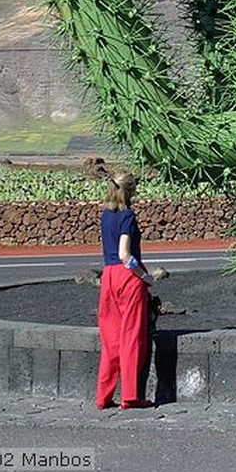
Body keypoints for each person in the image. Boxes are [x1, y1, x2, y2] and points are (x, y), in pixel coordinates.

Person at [96, 170, 154, 410]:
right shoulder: (128, 216)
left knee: (110, 337)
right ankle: (130, 395)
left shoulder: (105, 215)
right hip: (127, 277)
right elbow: (124, 254)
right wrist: (145, 276)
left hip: (108, 275)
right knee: (131, 336)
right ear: (130, 190)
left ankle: (103, 395)